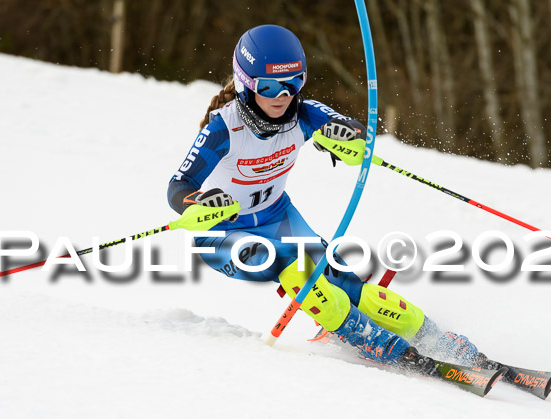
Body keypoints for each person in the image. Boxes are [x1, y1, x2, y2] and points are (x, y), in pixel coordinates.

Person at [167, 24, 495, 374]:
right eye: (268, 86)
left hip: (277, 216)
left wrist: (348, 137)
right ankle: (369, 338)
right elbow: (179, 185)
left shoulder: (304, 115)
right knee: (292, 264)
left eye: (293, 82)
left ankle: (435, 338)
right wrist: (198, 202)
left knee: (341, 278)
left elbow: (354, 132)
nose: (282, 95)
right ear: (246, 84)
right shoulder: (222, 127)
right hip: (221, 233)